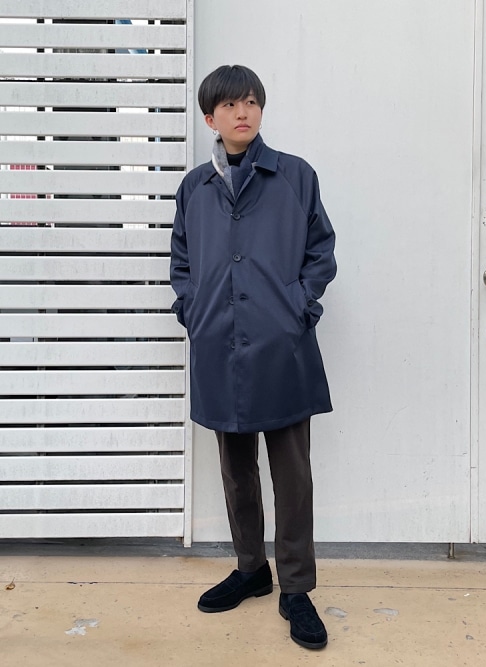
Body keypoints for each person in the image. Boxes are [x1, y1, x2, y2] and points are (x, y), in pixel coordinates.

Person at [170, 64, 337, 650]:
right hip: (219, 346)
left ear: (261, 109)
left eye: (251, 102)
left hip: (281, 349)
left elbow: (321, 251)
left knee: (292, 475)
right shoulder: (195, 188)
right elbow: (182, 261)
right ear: (209, 118)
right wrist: (192, 310)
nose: (243, 112)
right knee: (236, 471)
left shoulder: (295, 176)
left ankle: (297, 588)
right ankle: (251, 569)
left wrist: (297, 308)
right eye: (229, 105)